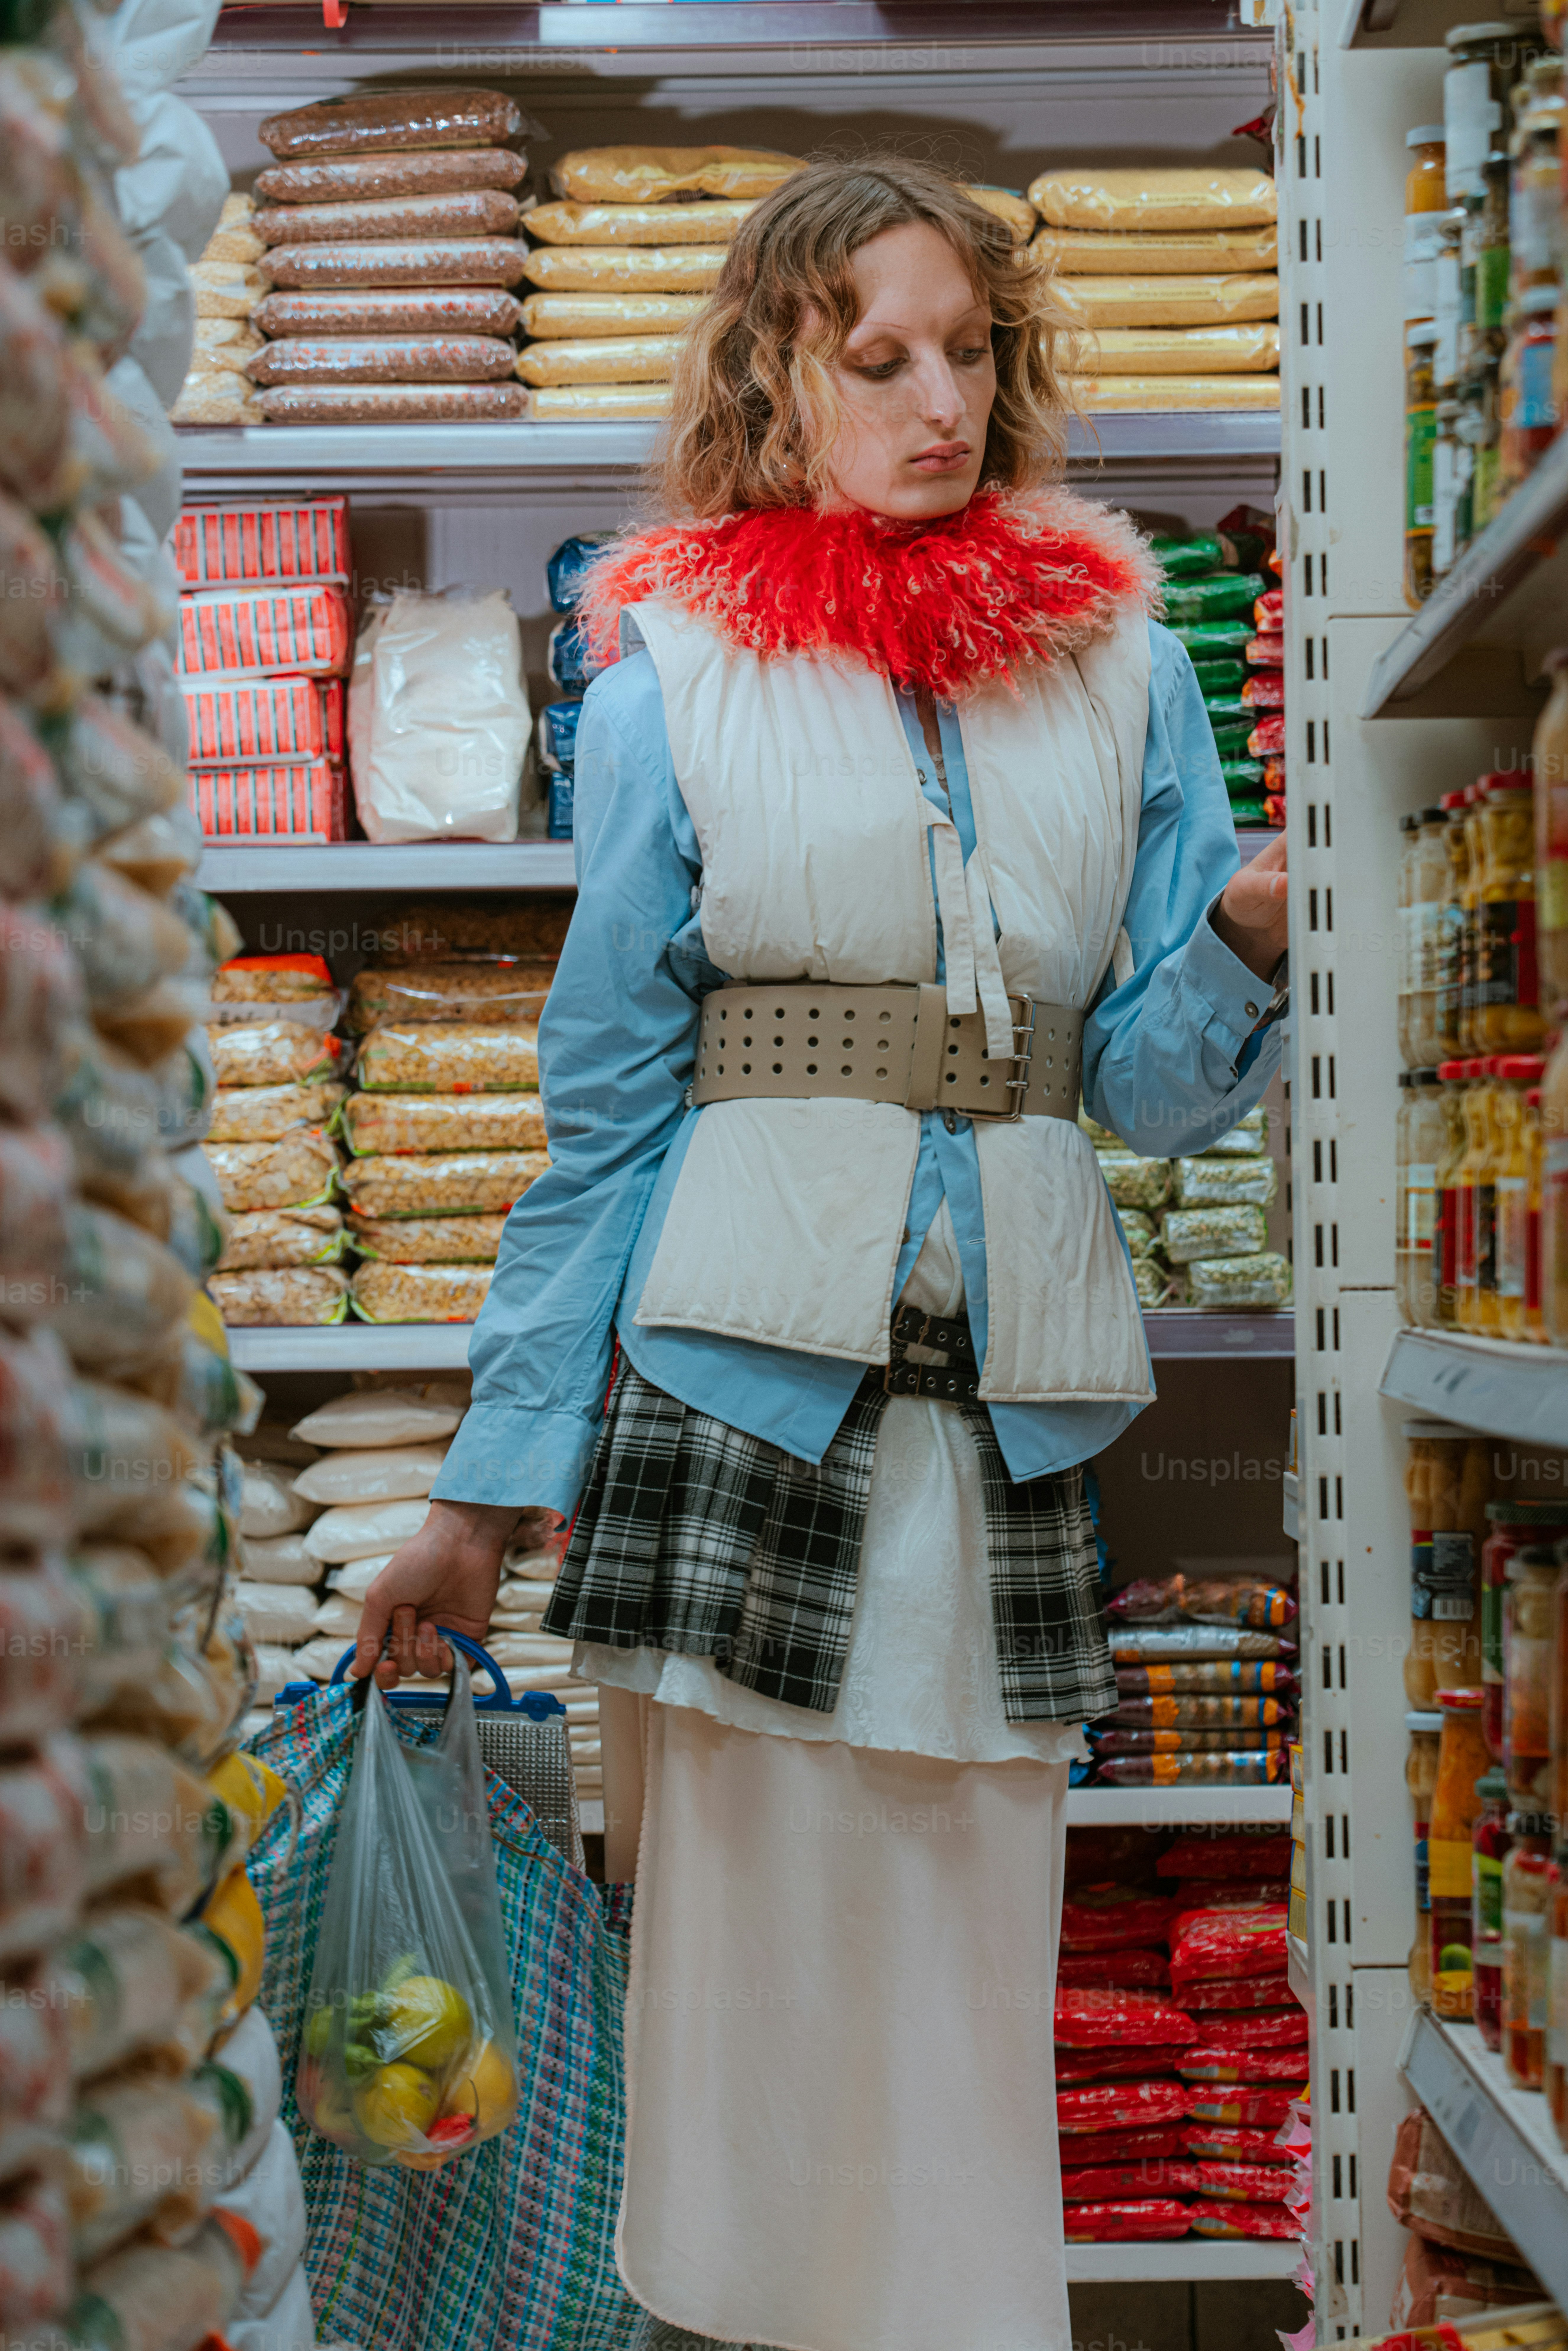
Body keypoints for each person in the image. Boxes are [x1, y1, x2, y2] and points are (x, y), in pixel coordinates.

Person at [354, 156, 1288, 2351]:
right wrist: (486, 1489)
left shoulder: (1128, 665)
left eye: (968, 352)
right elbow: (604, 1117)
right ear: (777, 373)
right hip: (735, 1376)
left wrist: (1242, 945)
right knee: (749, 1977)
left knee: (972, 1945)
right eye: (876, 359)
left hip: (1009, 1402)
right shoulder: (676, 669)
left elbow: (1140, 1092)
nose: (934, 399)